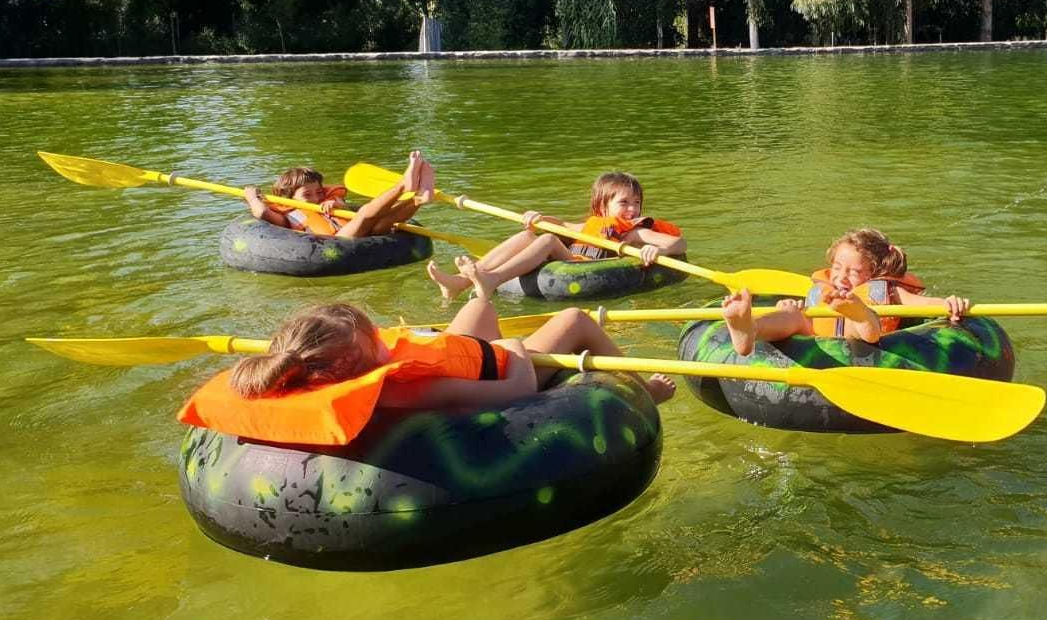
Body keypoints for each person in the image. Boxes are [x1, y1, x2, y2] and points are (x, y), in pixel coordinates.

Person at [179, 257, 674, 447]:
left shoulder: (338, 372)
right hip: (502, 368)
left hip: (468, 352)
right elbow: (517, 389)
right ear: (368, 353)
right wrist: (516, 348)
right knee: (574, 321)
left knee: (479, 311)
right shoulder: (409, 388)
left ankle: (479, 289)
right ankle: (643, 388)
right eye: (375, 333)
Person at [426, 171, 687, 301]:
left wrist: (658, 250)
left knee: (548, 241)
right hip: (574, 260)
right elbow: (561, 225)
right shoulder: (593, 224)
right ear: (602, 207)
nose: (632, 209)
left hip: (590, 269)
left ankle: (490, 280)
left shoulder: (634, 230)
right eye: (624, 203)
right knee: (531, 236)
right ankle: (461, 282)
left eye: (637, 202)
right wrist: (537, 218)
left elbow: (678, 243)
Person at [721, 227, 971, 356]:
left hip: (863, 338)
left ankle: (858, 313)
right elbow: (807, 313)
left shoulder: (887, 290)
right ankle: (748, 329)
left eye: (853, 272)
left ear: (875, 274)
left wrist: (948, 304)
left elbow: (921, 304)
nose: (840, 276)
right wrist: (791, 307)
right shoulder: (825, 287)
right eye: (837, 267)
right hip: (818, 333)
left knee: (862, 325)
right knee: (794, 317)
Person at [242, 150, 434, 239]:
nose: (317, 198)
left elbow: (349, 212)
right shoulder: (286, 215)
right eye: (308, 195)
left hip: (358, 235)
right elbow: (261, 214)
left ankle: (418, 198)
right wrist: (252, 197)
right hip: (336, 241)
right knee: (366, 214)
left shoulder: (330, 200)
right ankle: (403, 186)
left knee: (385, 221)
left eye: (319, 192)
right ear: (289, 197)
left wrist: (340, 207)